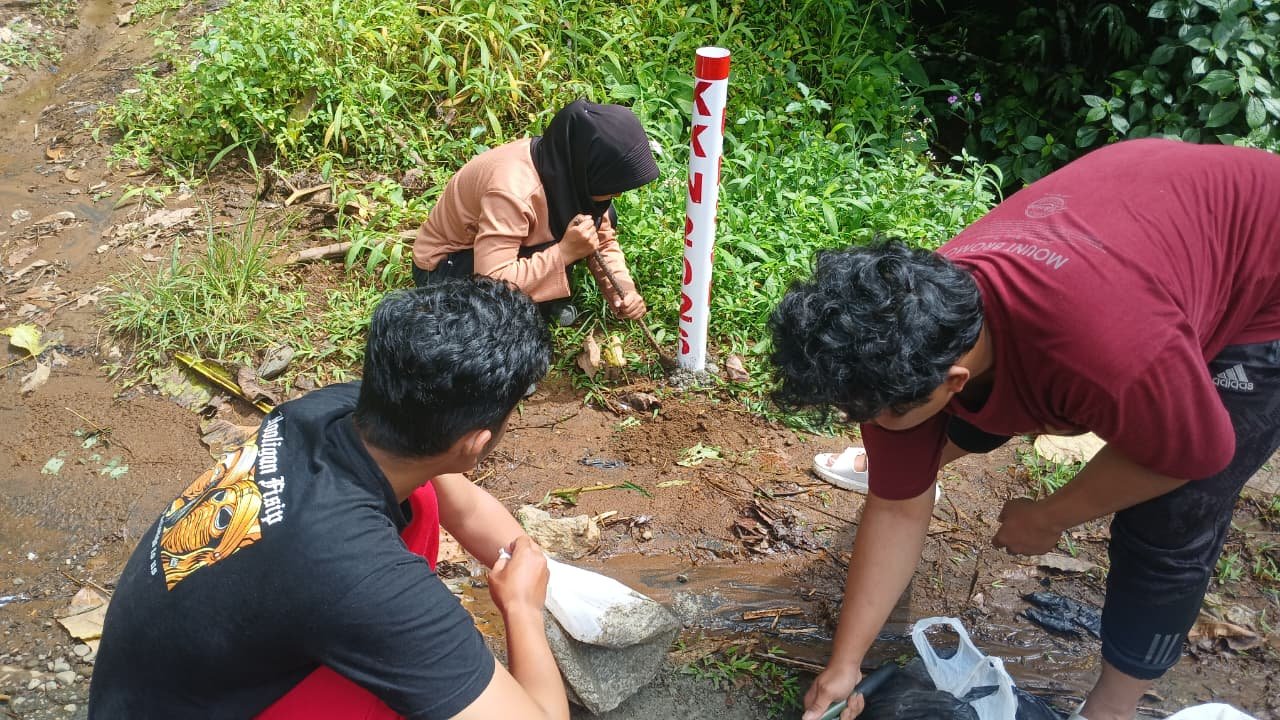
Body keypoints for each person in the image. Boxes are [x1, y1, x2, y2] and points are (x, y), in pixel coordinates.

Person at [768, 139, 1280, 720]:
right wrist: (845, 665)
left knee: (1174, 512)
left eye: (878, 416)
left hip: (1264, 270)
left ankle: (1112, 706)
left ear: (954, 381)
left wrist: (1050, 516)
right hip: (1144, 217)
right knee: (926, 427)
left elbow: (1193, 454)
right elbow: (896, 508)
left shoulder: (1108, 355)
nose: (868, 425)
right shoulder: (902, 329)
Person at [89, 279, 569, 720]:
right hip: (188, 702)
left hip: (153, 687)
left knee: (422, 498)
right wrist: (522, 610)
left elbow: (462, 506)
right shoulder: (362, 574)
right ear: (475, 444)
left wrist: (533, 562)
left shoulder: (341, 409)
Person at [413, 98, 660, 326]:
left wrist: (624, 292)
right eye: (613, 188)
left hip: (500, 254)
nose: (616, 195)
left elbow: (601, 240)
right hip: (448, 266)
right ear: (589, 169)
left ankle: (540, 298)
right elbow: (490, 282)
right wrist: (564, 253)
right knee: (500, 323)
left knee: (596, 222)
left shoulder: (568, 170)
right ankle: (534, 304)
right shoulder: (512, 191)